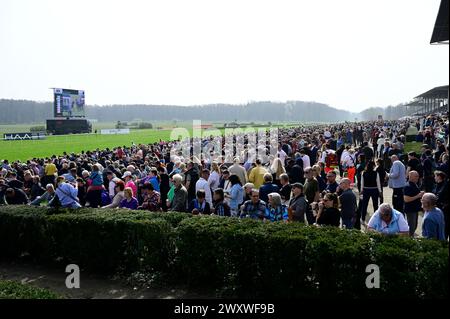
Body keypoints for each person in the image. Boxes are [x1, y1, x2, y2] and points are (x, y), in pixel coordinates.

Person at [403, 171, 424, 237]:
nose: (417, 178)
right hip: (410, 210)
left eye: (417, 176)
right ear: (411, 177)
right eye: (416, 176)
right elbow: (406, 199)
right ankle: (409, 240)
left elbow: (414, 193)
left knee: (414, 226)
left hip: (415, 209)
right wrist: (418, 195)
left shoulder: (414, 184)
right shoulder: (408, 186)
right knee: (411, 227)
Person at [360, 160, 382, 224]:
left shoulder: (363, 173)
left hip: (366, 190)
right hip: (374, 190)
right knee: (375, 205)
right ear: (373, 166)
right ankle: (376, 219)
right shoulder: (376, 173)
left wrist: (361, 190)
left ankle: (363, 219)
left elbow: (362, 183)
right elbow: (378, 183)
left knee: (364, 205)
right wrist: (380, 191)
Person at [433, 171, 449, 240]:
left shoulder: (446, 185)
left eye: (435, 176)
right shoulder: (437, 185)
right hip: (438, 209)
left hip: (445, 210)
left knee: (445, 227)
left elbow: (440, 196)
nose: (434, 178)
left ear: (439, 177)